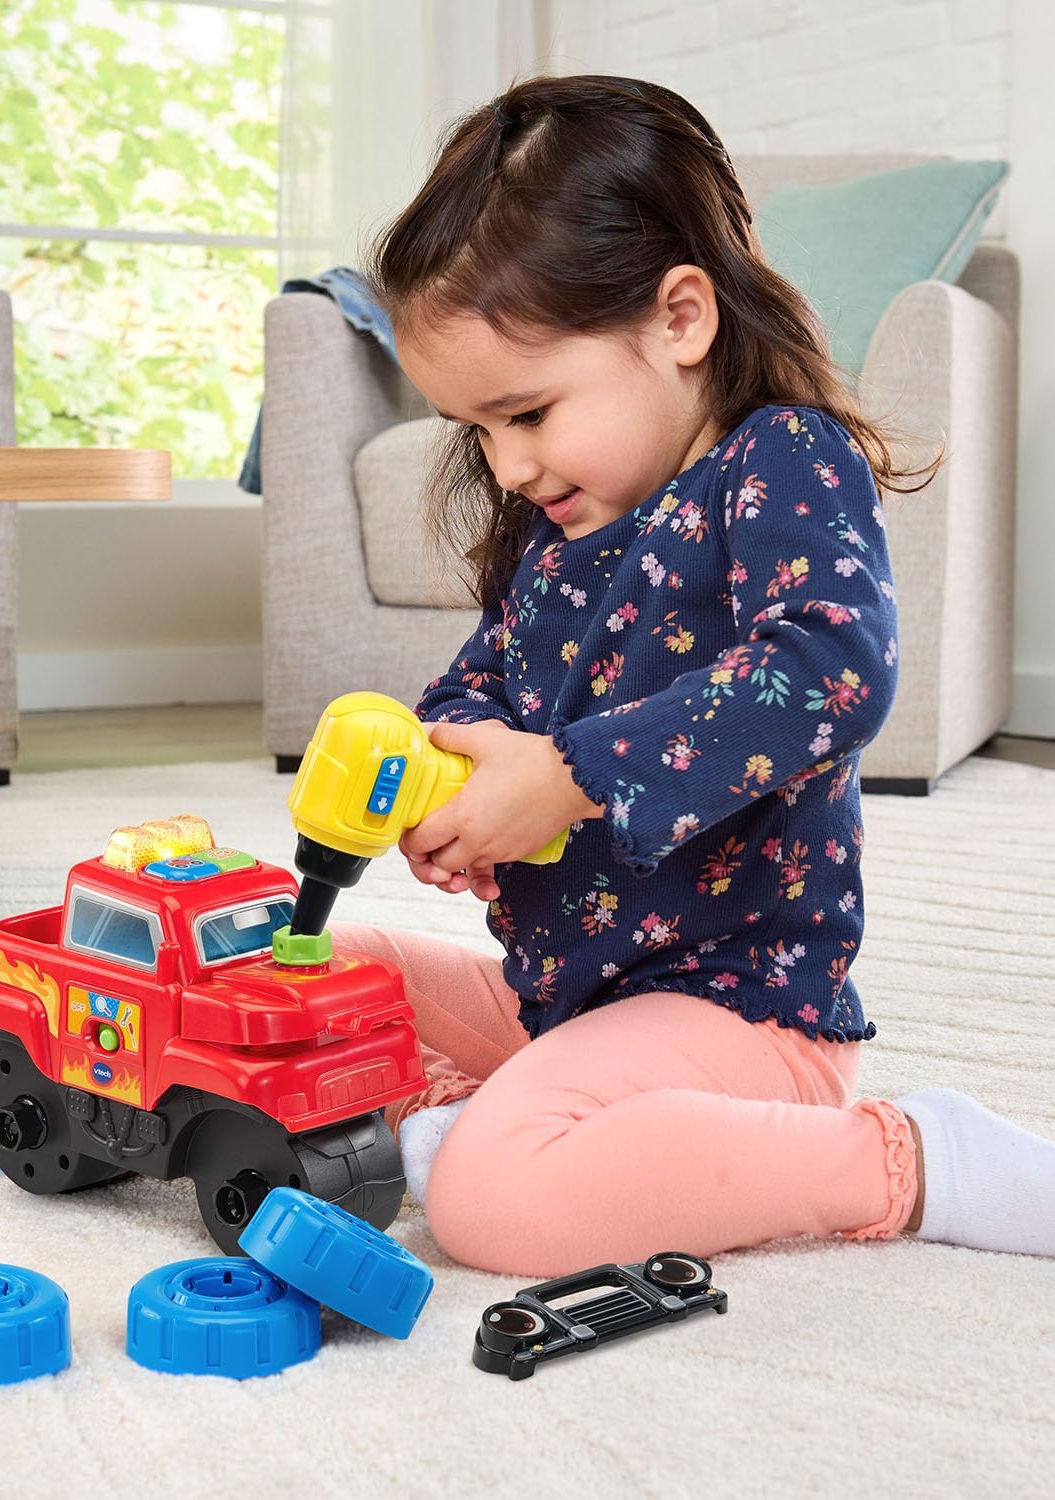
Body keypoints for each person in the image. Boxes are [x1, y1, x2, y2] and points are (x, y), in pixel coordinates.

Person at [333, 73, 1055, 1276]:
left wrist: (566, 776)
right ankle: (508, 1122)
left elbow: (830, 669)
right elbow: (476, 686)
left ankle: (915, 1160)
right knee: (316, 973)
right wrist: (455, 774)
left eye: (529, 413)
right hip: (567, 995)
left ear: (679, 319)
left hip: (739, 1011)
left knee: (492, 1204)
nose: (506, 466)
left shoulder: (781, 459)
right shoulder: (559, 530)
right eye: (478, 432)